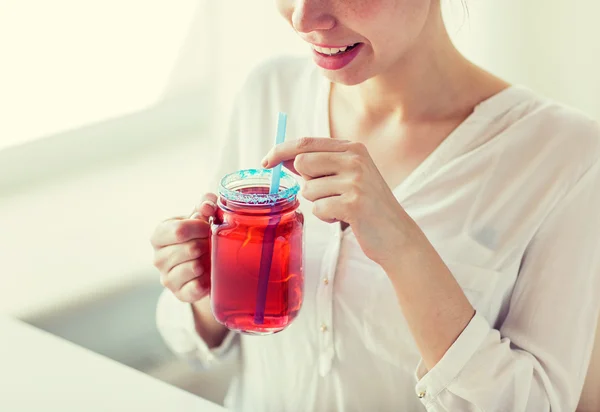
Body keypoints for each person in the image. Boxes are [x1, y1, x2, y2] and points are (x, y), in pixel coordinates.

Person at [150, 1, 600, 411]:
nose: (303, 18)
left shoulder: (566, 157)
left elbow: (539, 403)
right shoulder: (269, 90)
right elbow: (194, 337)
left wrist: (404, 247)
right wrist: (205, 280)